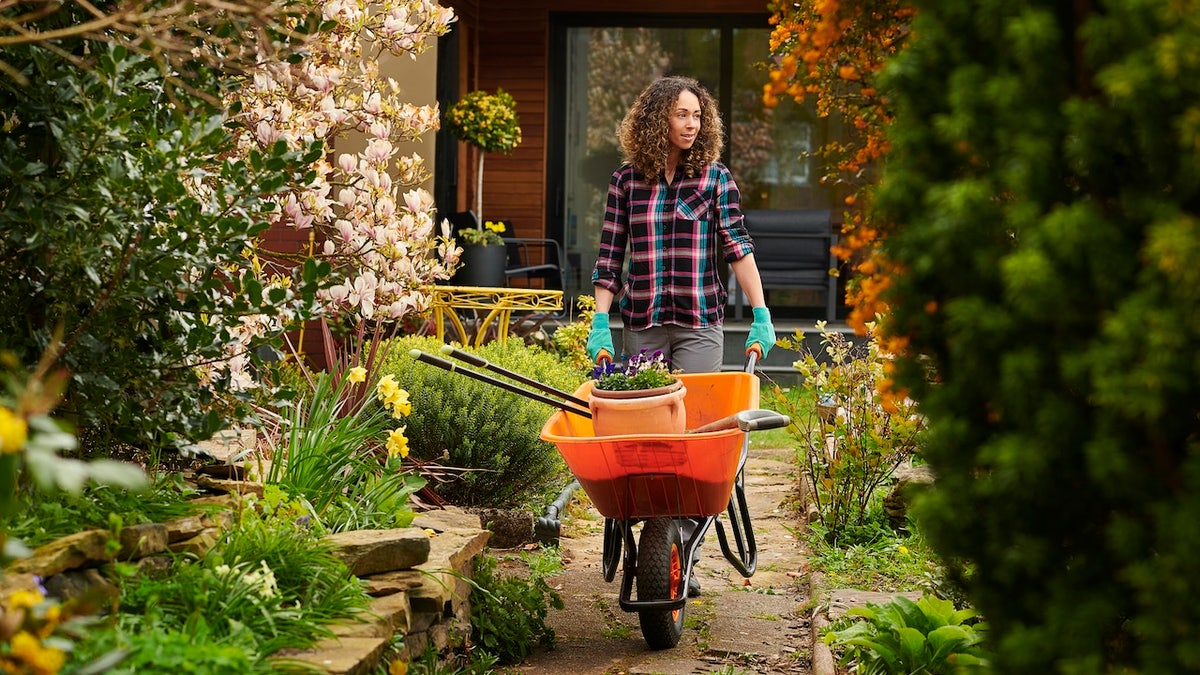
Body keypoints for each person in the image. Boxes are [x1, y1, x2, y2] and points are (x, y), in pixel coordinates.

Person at [586, 75, 776, 597]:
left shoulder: (714, 178)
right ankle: (654, 538)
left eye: (697, 115)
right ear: (657, 120)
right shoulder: (627, 182)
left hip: (698, 324)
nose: (691, 124)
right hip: (643, 325)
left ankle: (681, 548)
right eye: (681, 115)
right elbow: (610, 257)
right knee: (645, 440)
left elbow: (738, 248)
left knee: (691, 438)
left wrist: (760, 311)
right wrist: (600, 322)